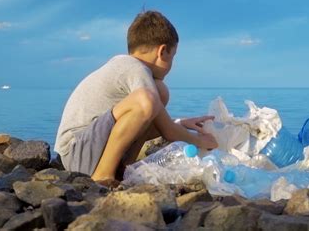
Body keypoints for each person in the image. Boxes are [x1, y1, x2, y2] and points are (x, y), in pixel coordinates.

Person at [55, 10, 217, 186]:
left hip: (87, 150)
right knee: (146, 100)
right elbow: (167, 130)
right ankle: (102, 175)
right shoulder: (134, 68)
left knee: (158, 94)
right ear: (162, 52)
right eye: (173, 56)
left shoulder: (129, 67)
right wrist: (200, 141)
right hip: (76, 152)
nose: (172, 65)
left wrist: (181, 123)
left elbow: (160, 124)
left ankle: (125, 169)